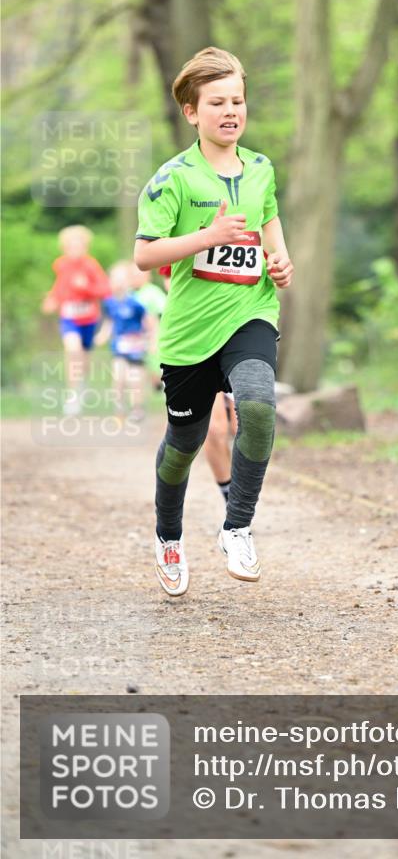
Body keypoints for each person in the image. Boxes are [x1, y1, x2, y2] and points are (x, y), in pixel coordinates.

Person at [134, 47, 293, 596]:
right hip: (189, 330)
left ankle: (238, 525)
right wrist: (205, 238)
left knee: (257, 404)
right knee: (186, 440)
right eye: (218, 102)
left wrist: (280, 257)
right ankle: (168, 536)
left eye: (239, 101)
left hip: (251, 310)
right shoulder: (171, 179)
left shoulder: (261, 168)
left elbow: (268, 218)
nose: (231, 111)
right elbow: (145, 256)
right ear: (191, 112)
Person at [158, 264, 239, 509]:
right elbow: (170, 278)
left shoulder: (253, 228)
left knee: (242, 426)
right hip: (202, 342)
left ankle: (243, 493)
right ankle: (231, 504)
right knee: (215, 430)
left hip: (241, 337)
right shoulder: (189, 229)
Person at [41, 225, 111, 415]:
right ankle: (72, 396)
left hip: (89, 319)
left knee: (84, 359)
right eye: (70, 246)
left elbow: (105, 290)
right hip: (69, 318)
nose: (74, 249)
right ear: (64, 247)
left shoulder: (91, 265)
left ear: (85, 246)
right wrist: (52, 299)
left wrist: (87, 287)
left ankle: (81, 386)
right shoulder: (61, 265)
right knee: (73, 352)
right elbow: (60, 287)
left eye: (78, 245)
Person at [95, 261, 152, 420]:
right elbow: (109, 322)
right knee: (118, 378)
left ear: (129, 282)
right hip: (119, 348)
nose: (118, 283)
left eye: (122, 280)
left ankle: (137, 409)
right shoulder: (109, 303)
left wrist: (151, 338)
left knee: (134, 379)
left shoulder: (136, 302)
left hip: (136, 348)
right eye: (115, 279)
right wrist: (102, 335)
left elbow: (148, 321)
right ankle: (119, 407)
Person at [130, 264, 167, 392]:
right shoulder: (131, 294)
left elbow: (162, 315)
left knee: (158, 372)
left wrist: (156, 338)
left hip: (154, 338)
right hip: (137, 340)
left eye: (138, 274)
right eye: (132, 275)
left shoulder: (152, 292)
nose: (135, 278)